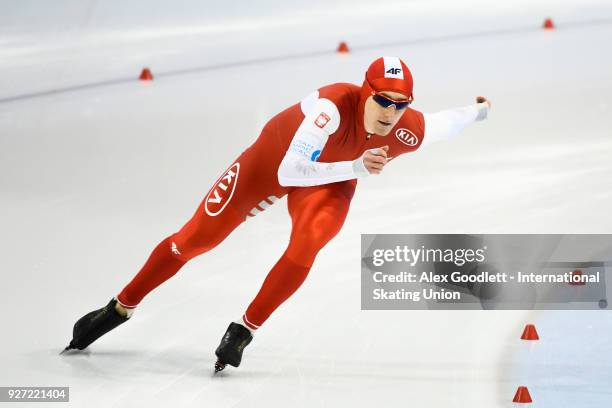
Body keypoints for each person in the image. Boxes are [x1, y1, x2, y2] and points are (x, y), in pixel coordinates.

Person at [63, 56, 491, 372]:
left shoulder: (404, 127)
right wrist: (358, 166)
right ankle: (119, 308)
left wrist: (479, 111)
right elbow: (290, 170)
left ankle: (243, 330)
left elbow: (443, 123)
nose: (390, 112)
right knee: (197, 239)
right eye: (382, 100)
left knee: (309, 243)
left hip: (329, 181)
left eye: (401, 104)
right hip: (268, 166)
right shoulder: (329, 108)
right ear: (365, 92)